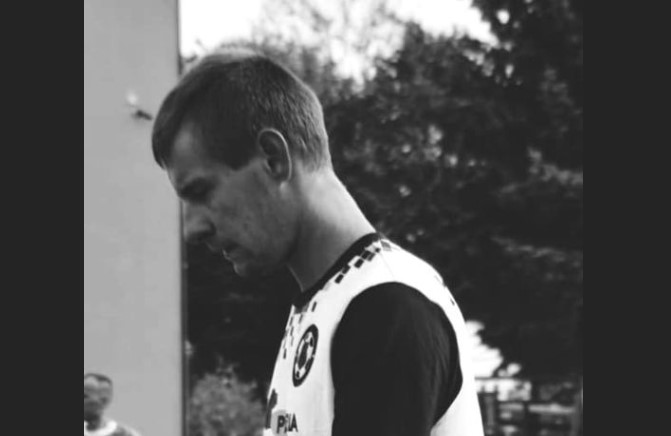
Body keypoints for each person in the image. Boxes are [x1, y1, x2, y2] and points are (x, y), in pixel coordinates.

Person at [152, 49, 484, 436]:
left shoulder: (387, 308)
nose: (192, 229)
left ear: (274, 158)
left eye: (201, 191)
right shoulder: (334, 301)